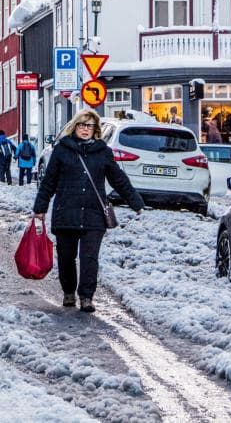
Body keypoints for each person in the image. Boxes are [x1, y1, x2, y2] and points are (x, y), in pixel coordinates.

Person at [33, 109, 143, 313]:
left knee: (89, 258)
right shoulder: (62, 150)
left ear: (95, 129)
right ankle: (68, 292)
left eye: (90, 126)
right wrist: (40, 208)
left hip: (94, 214)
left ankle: (86, 297)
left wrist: (135, 201)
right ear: (75, 127)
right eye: (82, 125)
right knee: (66, 257)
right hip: (66, 212)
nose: (85, 129)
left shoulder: (103, 152)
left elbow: (118, 179)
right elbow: (49, 181)